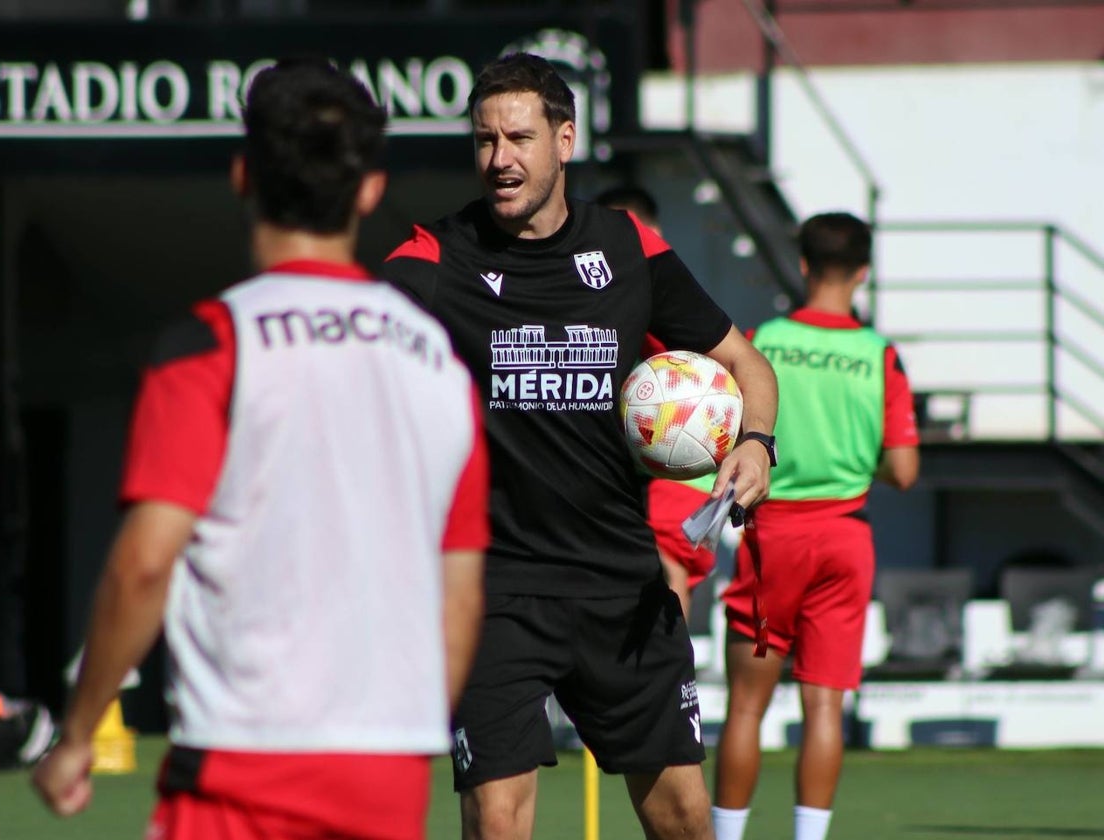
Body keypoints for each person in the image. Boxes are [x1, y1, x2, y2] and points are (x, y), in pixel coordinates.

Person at [30, 57, 490, 840]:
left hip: (239, 775)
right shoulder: (440, 365)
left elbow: (145, 562)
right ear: (371, 189)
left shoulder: (211, 344)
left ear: (243, 176)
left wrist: (77, 736)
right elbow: (459, 596)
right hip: (388, 781)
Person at [382, 53, 779, 840]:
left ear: (565, 140)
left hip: (621, 583)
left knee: (683, 820)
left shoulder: (629, 246)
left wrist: (757, 444)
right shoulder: (436, 256)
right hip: (493, 588)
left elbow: (747, 364)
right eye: (485, 140)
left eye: (520, 138)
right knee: (497, 819)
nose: (500, 160)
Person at [711, 212, 920, 840]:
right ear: (863, 272)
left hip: (774, 537)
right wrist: (856, 459)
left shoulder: (761, 340)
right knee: (824, 704)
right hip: (845, 536)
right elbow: (905, 471)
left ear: (802, 264)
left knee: (746, 706)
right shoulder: (878, 354)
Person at [594, 185, 722, 620]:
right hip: (662, 475)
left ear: (655, 234)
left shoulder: (665, 303)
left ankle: (670, 681)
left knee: (664, 572)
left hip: (674, 467)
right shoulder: (599, 299)